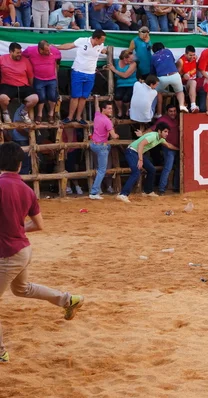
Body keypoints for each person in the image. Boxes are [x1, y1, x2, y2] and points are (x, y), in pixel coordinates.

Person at [0, 142, 84, 364]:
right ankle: (67, 300)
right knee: (22, 289)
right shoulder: (27, 190)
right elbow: (38, 225)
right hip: (23, 250)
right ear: (20, 165)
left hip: (7, 254)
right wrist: (18, 228)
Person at [116, 122, 179, 203]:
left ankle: (147, 191)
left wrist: (180, 149)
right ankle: (123, 194)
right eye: (165, 131)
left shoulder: (160, 139)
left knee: (151, 169)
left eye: (167, 132)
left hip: (137, 152)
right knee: (136, 172)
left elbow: (169, 145)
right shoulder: (153, 136)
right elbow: (140, 145)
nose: (167, 134)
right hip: (132, 151)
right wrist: (140, 159)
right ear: (159, 131)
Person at [56, 29, 107, 125]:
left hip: (91, 73)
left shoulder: (100, 45)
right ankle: (70, 117)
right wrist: (57, 47)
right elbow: (70, 45)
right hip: (78, 71)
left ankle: (78, 117)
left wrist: (105, 51)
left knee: (84, 97)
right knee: (75, 96)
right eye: (102, 39)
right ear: (96, 38)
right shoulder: (82, 40)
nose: (103, 42)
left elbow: (103, 50)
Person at [22, 40, 61, 124]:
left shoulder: (54, 50)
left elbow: (58, 58)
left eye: (49, 49)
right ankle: (39, 115)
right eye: (46, 50)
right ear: (40, 49)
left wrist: (56, 68)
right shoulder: (30, 50)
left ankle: (51, 114)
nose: (48, 52)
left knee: (52, 96)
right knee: (41, 97)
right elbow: (22, 57)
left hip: (52, 78)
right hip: (38, 78)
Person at [0, 42, 38, 124]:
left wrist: (30, 87)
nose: (20, 54)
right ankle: (5, 112)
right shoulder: (2, 59)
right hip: (7, 85)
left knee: (35, 98)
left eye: (20, 52)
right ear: (11, 52)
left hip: (23, 86)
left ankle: (23, 112)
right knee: (2, 98)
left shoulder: (25, 60)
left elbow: (31, 76)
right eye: (17, 53)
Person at [146, 104, 180, 195]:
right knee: (168, 168)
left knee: (178, 168)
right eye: (170, 111)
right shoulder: (163, 120)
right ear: (166, 112)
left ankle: (176, 187)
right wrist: (142, 135)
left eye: (174, 111)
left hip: (178, 148)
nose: (173, 113)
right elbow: (152, 129)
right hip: (168, 148)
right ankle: (161, 189)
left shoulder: (178, 118)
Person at [89, 100, 119, 200]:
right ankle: (94, 192)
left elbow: (97, 108)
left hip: (94, 144)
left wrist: (96, 99)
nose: (111, 110)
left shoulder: (97, 115)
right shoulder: (108, 121)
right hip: (101, 147)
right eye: (109, 108)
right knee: (102, 170)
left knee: (99, 167)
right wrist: (117, 135)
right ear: (104, 109)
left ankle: (97, 190)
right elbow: (113, 136)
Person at [150, 42, 189, 116]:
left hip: (162, 77)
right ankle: (182, 105)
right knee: (180, 92)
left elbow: (152, 71)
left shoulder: (153, 57)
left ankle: (159, 113)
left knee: (158, 93)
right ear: (163, 47)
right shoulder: (168, 51)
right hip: (175, 75)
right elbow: (172, 61)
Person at [107, 50, 137, 119]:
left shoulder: (133, 64)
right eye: (130, 59)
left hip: (131, 84)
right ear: (124, 58)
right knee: (117, 96)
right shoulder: (116, 62)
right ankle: (120, 111)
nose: (131, 61)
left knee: (126, 98)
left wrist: (114, 70)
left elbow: (125, 75)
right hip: (120, 84)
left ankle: (127, 110)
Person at [176, 45, 199, 113]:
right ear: (185, 54)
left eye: (193, 55)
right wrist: (183, 75)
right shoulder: (181, 61)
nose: (192, 57)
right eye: (190, 55)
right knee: (193, 82)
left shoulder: (195, 57)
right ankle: (193, 106)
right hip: (185, 83)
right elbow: (176, 75)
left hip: (195, 81)